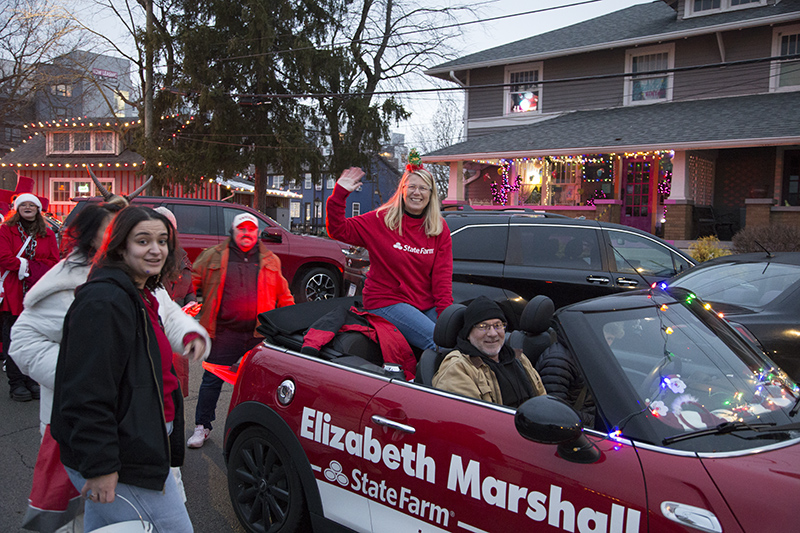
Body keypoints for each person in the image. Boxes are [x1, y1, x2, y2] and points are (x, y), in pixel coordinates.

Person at [11, 203, 210, 531]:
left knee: (106, 523)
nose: (155, 249)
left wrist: (190, 332)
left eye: (162, 240)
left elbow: (166, 316)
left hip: (139, 427)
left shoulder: (139, 285)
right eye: (141, 239)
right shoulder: (98, 294)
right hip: (110, 435)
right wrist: (73, 371)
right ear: (115, 240)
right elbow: (77, 382)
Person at [188, 212, 294, 448]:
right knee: (211, 380)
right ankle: (202, 427)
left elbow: (284, 297)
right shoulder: (212, 257)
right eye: (241, 229)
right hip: (225, 331)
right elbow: (192, 280)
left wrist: (292, 324)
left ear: (257, 234)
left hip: (258, 335)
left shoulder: (270, 260)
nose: (246, 234)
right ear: (233, 232)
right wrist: (191, 303)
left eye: (251, 230)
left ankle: (260, 430)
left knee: (259, 386)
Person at [326, 154, 453, 351]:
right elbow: (338, 229)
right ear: (402, 190)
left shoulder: (438, 228)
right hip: (386, 301)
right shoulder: (381, 220)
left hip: (423, 304)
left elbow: (442, 279)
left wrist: (447, 318)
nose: (416, 193)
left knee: (454, 337)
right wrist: (340, 194)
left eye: (422, 188)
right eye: (411, 186)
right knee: (438, 343)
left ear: (431, 193)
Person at [433, 296, 546, 407]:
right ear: (468, 333)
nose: (492, 333)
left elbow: (542, 399)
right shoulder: (458, 368)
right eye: (483, 326)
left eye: (498, 325)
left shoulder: (518, 358)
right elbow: (472, 419)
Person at [1, 193, 59, 402]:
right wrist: (28, 266)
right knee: (14, 335)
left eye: (31, 205)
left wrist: (35, 269)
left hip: (37, 292)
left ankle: (31, 378)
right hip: (14, 291)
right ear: (17, 209)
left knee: (35, 336)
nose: (27, 208)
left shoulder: (49, 234)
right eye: (23, 205)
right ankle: (16, 382)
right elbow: (4, 257)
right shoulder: (6, 230)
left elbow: (54, 260)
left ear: (37, 209)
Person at [155, 206, 197, 398]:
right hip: (156, 334)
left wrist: (191, 303)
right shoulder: (147, 260)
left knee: (177, 390)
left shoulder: (181, 257)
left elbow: (189, 289)